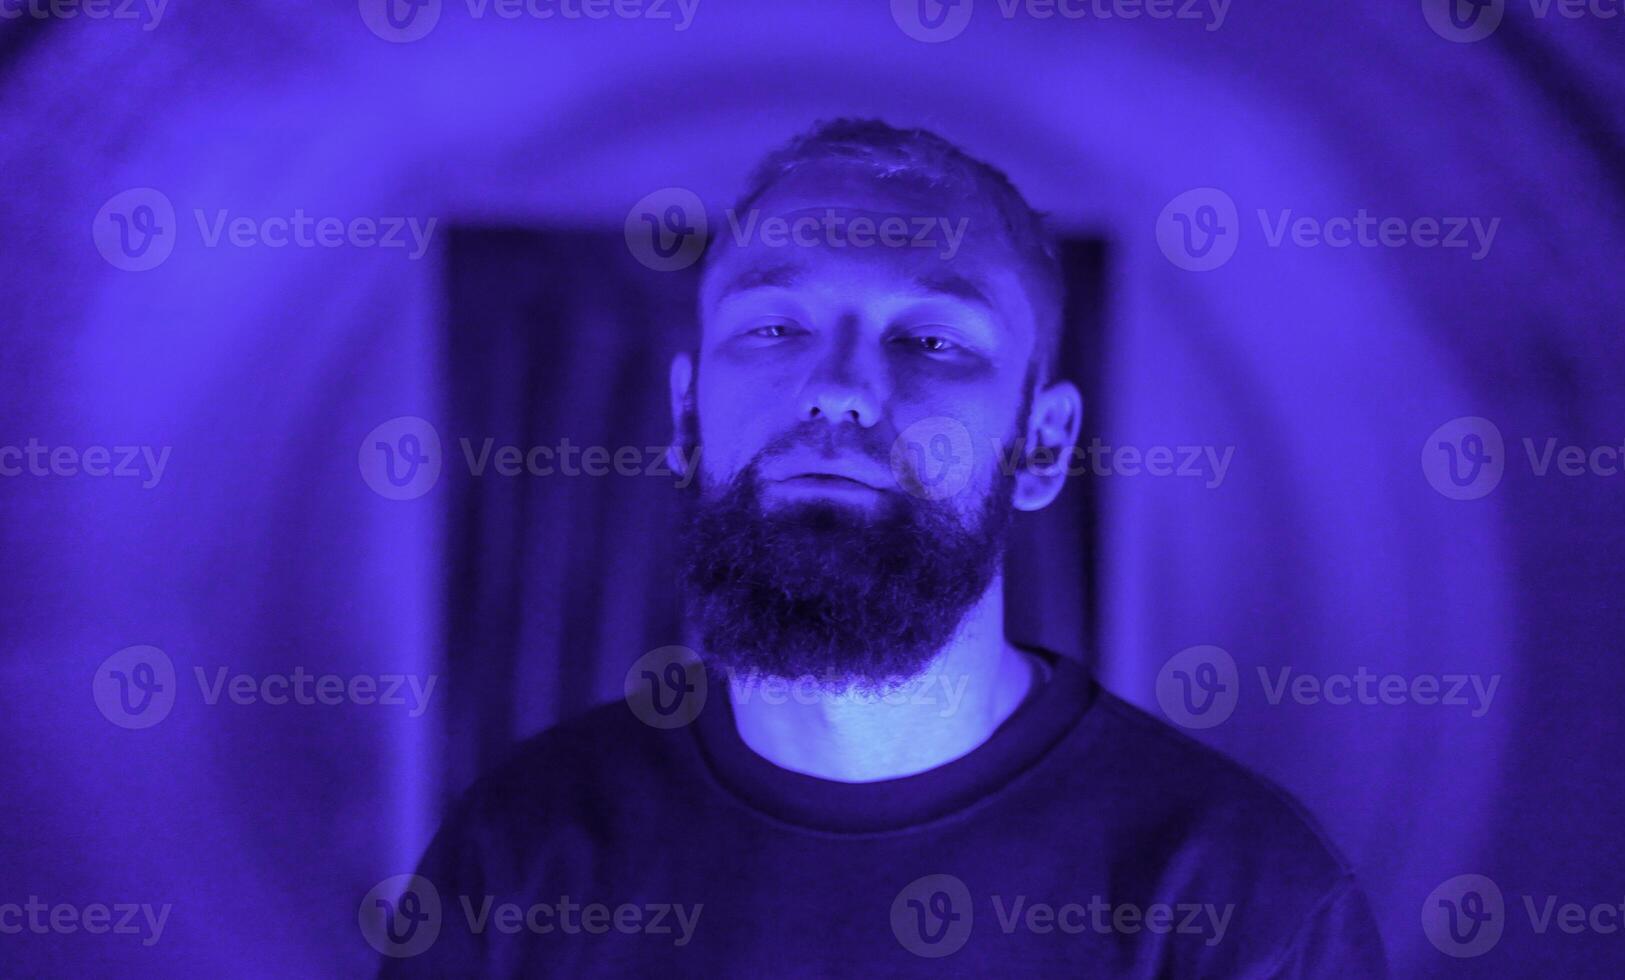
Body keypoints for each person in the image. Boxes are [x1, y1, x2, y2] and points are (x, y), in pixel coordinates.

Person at [375, 118, 1387, 978]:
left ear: (1041, 443)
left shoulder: (1238, 898)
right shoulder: (518, 854)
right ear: (686, 419)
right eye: (774, 327)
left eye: (933, 338)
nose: (840, 387)